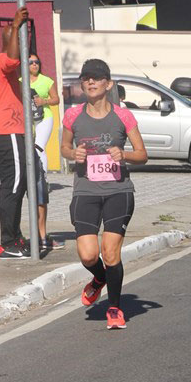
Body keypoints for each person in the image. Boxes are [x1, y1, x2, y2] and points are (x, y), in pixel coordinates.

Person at [61, 59, 147, 329]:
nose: (90, 82)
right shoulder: (73, 116)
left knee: (110, 252)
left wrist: (124, 155)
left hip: (118, 191)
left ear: (108, 84)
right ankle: (99, 278)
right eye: (86, 77)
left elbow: (142, 154)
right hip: (85, 190)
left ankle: (114, 308)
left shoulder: (123, 116)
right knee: (88, 255)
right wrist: (72, 153)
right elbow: (64, 147)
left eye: (96, 77)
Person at [0, 6, 30, 258]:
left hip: (1, 133)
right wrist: (16, 23)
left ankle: (15, 237)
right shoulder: (2, 61)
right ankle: (8, 243)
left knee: (17, 185)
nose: (23, 47)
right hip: (7, 133)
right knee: (13, 186)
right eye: (20, 41)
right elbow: (12, 59)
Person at [26, 53, 64, 251]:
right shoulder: (20, 80)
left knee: (38, 147)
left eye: (37, 62)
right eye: (31, 62)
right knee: (29, 147)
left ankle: (42, 175)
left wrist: (44, 101)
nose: (34, 65)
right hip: (27, 118)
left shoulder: (46, 80)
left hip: (44, 117)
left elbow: (56, 99)